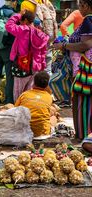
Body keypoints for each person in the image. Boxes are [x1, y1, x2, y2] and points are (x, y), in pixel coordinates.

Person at [52, 0, 92, 140]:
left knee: (82, 101)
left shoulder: (88, 20)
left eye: (81, 5)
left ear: (87, 5)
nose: (79, 8)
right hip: (85, 68)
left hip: (86, 69)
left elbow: (86, 44)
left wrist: (64, 45)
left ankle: (83, 136)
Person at [5, 10, 49, 101]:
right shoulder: (40, 33)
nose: (19, 22)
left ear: (25, 20)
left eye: (20, 20)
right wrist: (42, 65)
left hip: (23, 64)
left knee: (18, 92)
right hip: (35, 67)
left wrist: (18, 15)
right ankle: (28, 110)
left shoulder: (22, 30)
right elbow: (43, 51)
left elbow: (8, 26)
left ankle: (19, 111)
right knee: (29, 92)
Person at [15, 71, 52, 137]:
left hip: (23, 129)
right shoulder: (49, 97)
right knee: (53, 117)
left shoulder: (24, 94)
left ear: (33, 83)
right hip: (41, 132)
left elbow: (15, 109)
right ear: (47, 85)